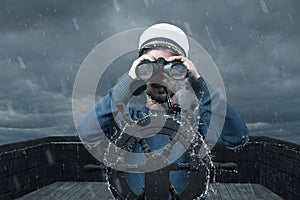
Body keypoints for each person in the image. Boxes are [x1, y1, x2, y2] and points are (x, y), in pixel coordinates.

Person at [78, 23, 249, 199]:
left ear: (183, 74)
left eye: (173, 65)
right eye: (150, 65)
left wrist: (198, 83)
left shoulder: (196, 122)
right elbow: (87, 132)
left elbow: (236, 137)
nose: (161, 75)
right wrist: (128, 83)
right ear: (141, 73)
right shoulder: (124, 119)